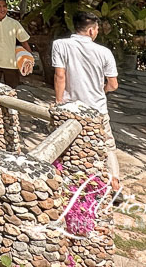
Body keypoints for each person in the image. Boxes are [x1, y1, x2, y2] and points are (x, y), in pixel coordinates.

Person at [51, 10, 121, 191]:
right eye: (97, 29)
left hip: (69, 107)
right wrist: (102, 91)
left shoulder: (60, 45)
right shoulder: (104, 52)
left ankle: (63, 180)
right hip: (97, 108)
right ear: (91, 31)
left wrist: (59, 101)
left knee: (64, 144)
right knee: (107, 146)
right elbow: (113, 84)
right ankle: (114, 183)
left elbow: (60, 75)